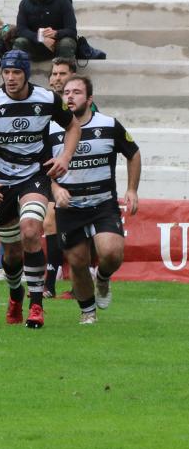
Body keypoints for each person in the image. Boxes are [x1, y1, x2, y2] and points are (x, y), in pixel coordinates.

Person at [0, 49, 81, 329]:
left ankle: (36, 305)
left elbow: (73, 126)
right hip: (0, 181)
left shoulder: (47, 99)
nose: (10, 77)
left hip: (34, 176)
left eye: (16, 72)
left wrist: (65, 157)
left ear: (26, 73)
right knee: (12, 253)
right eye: (6, 72)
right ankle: (15, 294)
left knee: (30, 230)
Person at [49, 76, 141, 323]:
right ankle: (88, 313)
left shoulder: (109, 125)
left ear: (90, 99)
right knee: (78, 262)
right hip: (70, 207)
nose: (70, 96)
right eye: (66, 92)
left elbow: (133, 153)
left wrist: (132, 189)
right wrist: (55, 189)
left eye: (76, 92)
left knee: (111, 253)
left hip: (103, 204)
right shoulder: (51, 129)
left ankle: (102, 277)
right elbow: (39, 168)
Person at [43, 56, 78, 297]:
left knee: (78, 232)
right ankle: (49, 284)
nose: (57, 78)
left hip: (80, 177)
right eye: (54, 74)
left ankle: (80, 283)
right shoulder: (46, 107)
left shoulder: (82, 108)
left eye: (62, 73)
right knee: (49, 221)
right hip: (54, 177)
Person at [13, 0, 78, 60]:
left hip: (57, 44)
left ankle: (62, 68)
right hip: (34, 44)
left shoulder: (63, 0)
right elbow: (21, 29)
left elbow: (72, 30)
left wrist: (56, 33)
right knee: (20, 42)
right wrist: (40, 38)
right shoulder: (25, 1)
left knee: (67, 43)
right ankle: (18, 68)